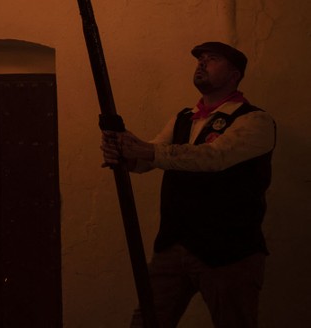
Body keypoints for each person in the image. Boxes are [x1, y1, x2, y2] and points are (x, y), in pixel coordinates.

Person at [101, 41, 276, 328]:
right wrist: (124, 153)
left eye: (212, 59)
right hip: (174, 244)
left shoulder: (256, 121)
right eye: (200, 59)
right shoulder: (183, 118)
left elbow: (213, 157)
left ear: (234, 74)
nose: (201, 63)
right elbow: (148, 159)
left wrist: (145, 150)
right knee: (147, 322)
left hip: (230, 251)